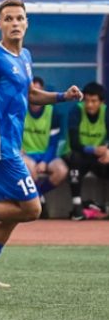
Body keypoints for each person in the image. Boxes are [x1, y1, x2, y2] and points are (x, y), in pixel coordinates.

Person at [0, 0, 82, 287]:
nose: (14, 23)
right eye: (8, 19)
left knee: (13, 212)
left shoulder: (24, 55)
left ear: (26, 23)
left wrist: (63, 96)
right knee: (32, 209)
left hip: (9, 146)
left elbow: (31, 94)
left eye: (19, 18)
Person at [20, 76, 68, 218]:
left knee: (62, 171)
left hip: (46, 154)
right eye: (31, 92)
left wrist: (45, 162)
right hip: (27, 155)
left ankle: (39, 196)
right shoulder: (20, 111)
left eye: (38, 92)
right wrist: (16, 148)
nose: (35, 96)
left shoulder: (52, 113)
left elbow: (53, 143)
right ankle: (40, 204)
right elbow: (9, 134)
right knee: (29, 167)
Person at [62, 81, 109, 220]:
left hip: (97, 157)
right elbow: (75, 143)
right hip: (76, 155)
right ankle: (77, 206)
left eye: (94, 101)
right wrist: (93, 149)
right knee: (76, 158)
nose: (89, 105)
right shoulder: (76, 111)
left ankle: (104, 206)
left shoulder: (106, 113)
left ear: (101, 102)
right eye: (87, 100)